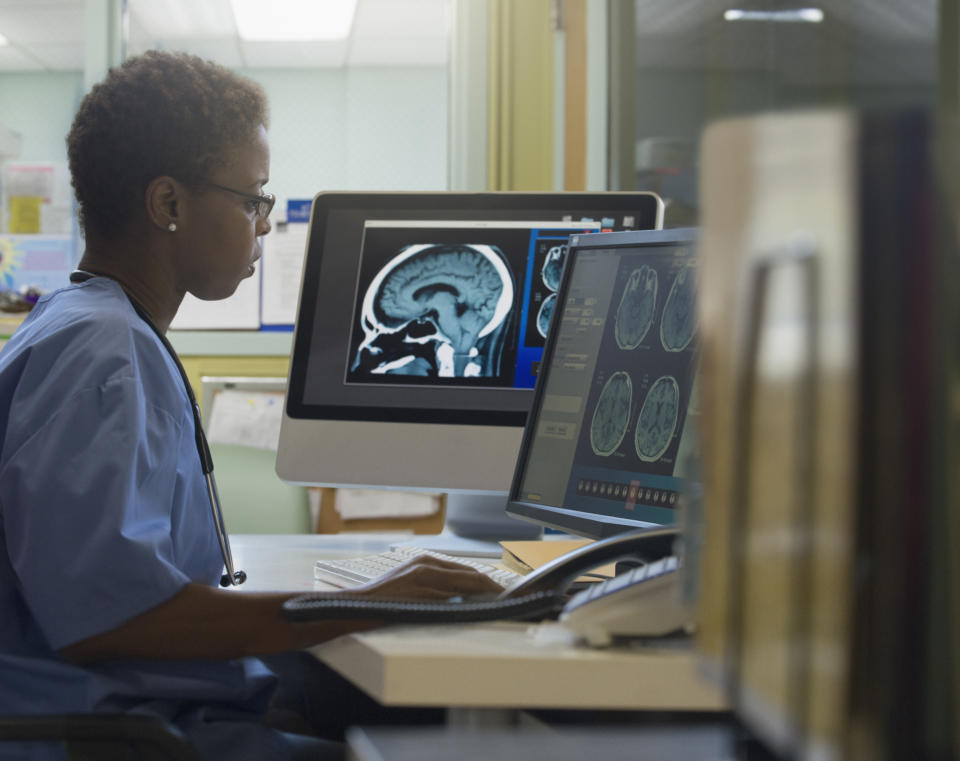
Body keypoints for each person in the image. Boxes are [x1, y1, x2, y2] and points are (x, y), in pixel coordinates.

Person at [0, 50, 501, 761]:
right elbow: (109, 617)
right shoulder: (103, 354)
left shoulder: (90, 325)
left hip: (148, 711)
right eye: (252, 198)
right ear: (170, 204)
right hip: (126, 737)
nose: (264, 223)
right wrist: (359, 603)